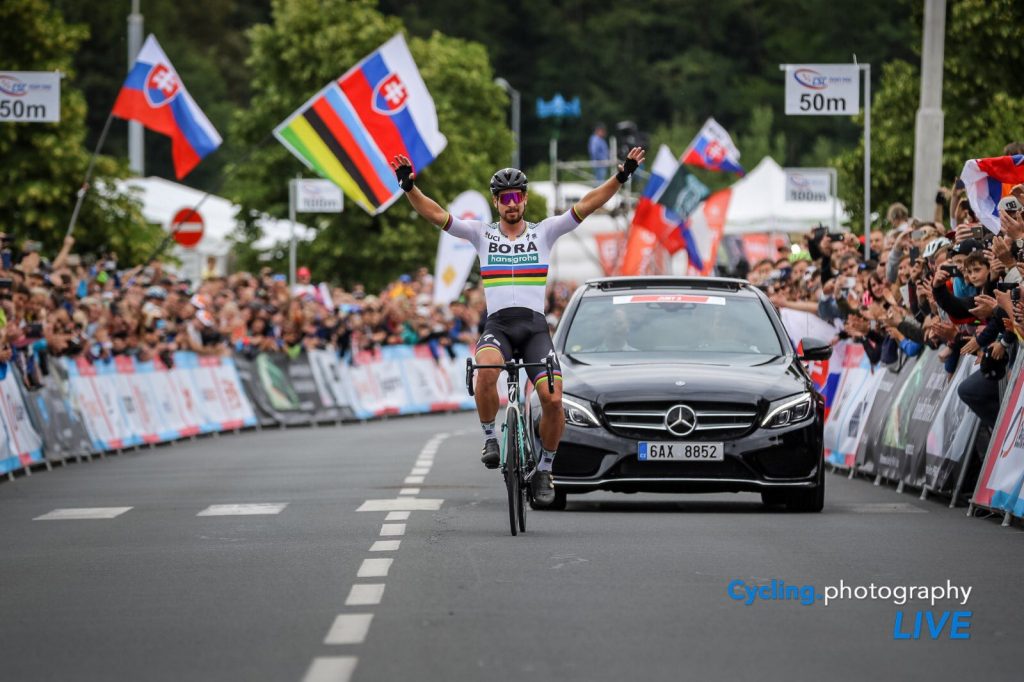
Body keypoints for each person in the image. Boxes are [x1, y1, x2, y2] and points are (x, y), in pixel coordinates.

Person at [390, 147, 645, 503]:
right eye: (504, 198)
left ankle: (545, 468)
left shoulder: (545, 232)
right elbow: (436, 215)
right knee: (486, 373)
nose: (511, 203)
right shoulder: (482, 234)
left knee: (553, 400)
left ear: (524, 200)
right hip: (499, 327)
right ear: (496, 203)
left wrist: (622, 176)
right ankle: (490, 437)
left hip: (535, 329)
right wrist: (408, 187)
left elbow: (588, 204)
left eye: (516, 197)